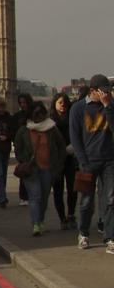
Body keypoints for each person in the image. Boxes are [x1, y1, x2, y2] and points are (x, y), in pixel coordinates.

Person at [69, 74, 114, 252]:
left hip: (109, 160)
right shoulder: (78, 109)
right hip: (88, 161)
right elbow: (75, 137)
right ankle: (84, 233)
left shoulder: (110, 106)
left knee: (111, 200)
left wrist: (108, 107)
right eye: (104, 91)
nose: (107, 94)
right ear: (93, 90)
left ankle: (110, 237)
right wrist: (83, 161)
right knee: (87, 201)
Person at [13, 102, 65, 237]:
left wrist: (58, 166)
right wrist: (24, 159)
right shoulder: (24, 130)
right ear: (31, 115)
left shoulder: (51, 128)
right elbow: (18, 147)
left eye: (41, 114)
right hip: (31, 170)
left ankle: (40, 220)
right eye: (36, 114)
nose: (39, 117)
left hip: (48, 168)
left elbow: (61, 147)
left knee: (44, 197)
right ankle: (36, 224)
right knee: (35, 196)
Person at [49, 92, 78, 229]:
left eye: (65, 103)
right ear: (54, 104)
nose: (63, 106)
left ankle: (71, 214)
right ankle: (62, 218)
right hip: (56, 160)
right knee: (58, 189)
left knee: (73, 188)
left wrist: (73, 147)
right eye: (60, 103)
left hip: (71, 158)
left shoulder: (72, 117)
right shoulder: (50, 121)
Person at [11, 93, 34, 206]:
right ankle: (23, 196)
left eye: (25, 102)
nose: (23, 105)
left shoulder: (34, 114)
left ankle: (31, 194)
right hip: (22, 148)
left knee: (33, 173)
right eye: (21, 103)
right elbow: (13, 131)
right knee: (24, 172)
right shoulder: (17, 116)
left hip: (33, 148)